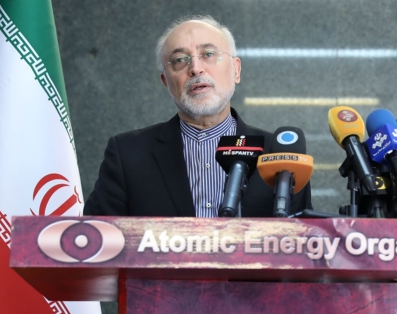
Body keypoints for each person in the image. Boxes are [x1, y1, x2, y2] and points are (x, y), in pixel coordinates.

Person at [84, 15, 310, 217]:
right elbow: (97, 241)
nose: (196, 68)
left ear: (236, 70)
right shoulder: (127, 154)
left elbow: (305, 246)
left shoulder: (281, 155)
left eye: (208, 54)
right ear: (166, 81)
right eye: (180, 60)